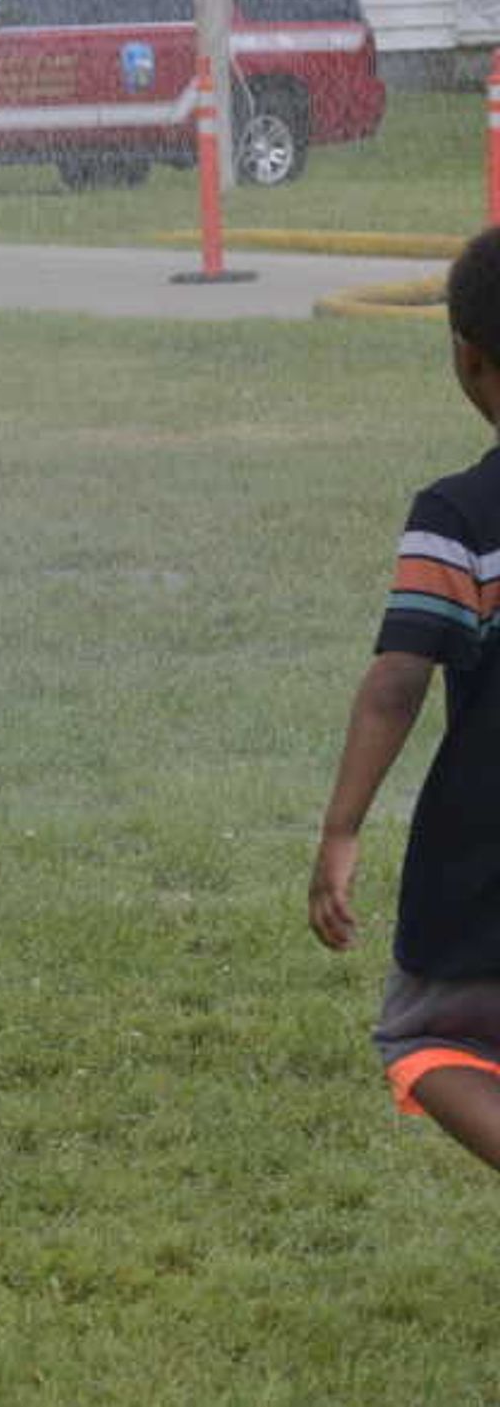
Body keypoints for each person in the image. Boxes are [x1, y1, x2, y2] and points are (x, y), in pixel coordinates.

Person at [309, 222, 500, 1169]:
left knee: (423, 1036)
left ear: (470, 361)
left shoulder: (458, 517)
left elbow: (397, 682)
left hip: (483, 859)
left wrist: (342, 830)